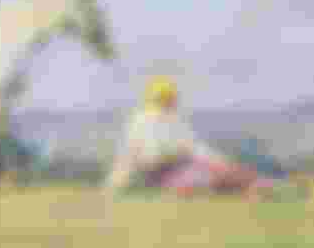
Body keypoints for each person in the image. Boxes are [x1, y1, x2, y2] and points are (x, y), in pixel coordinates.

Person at [103, 75, 276, 199]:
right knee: (209, 179)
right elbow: (146, 158)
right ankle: (255, 186)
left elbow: (194, 148)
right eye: (167, 99)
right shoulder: (143, 121)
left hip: (178, 170)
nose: (170, 102)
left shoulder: (171, 120)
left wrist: (217, 161)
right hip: (162, 176)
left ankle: (256, 185)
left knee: (219, 172)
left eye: (170, 99)